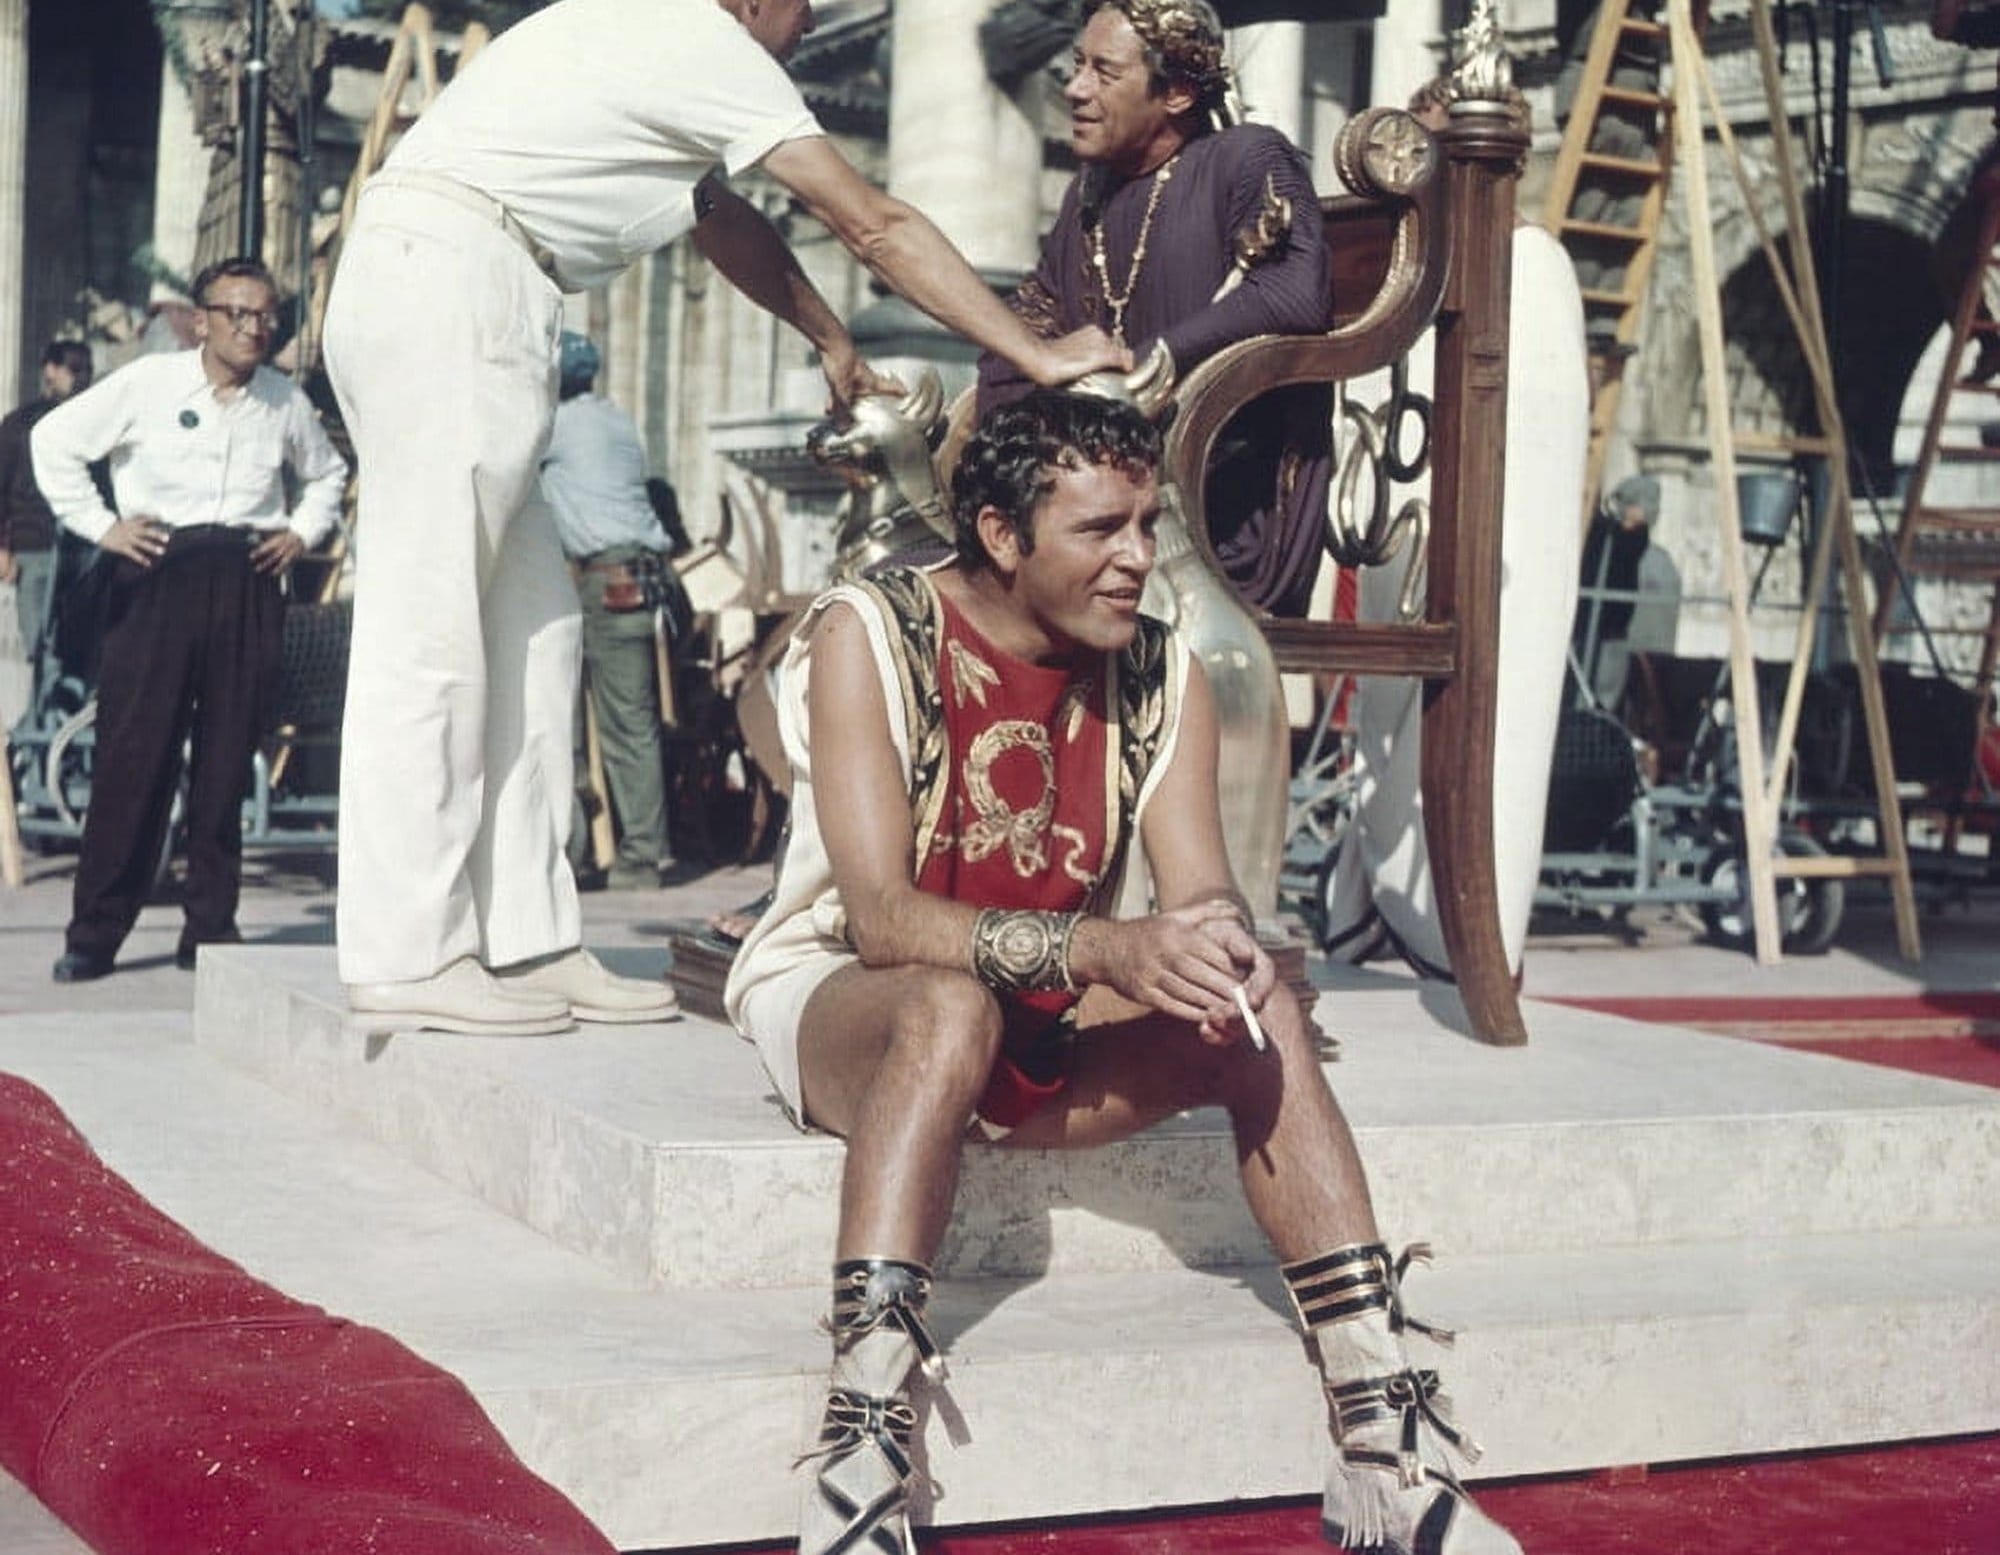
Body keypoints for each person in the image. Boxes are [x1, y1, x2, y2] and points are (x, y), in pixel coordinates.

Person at [724, 392, 1522, 1555]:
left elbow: (1199, 888)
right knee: (946, 1009)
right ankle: (861, 1458)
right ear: (1001, 534)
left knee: (1259, 1014)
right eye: (1101, 529)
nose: (1138, 558)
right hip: (851, 988)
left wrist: (1213, 946)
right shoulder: (868, 627)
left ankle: (1381, 1449)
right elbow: (886, 920)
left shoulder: (1161, 665)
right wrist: (1108, 946)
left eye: (1146, 525)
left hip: (1035, 1003)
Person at [322, 0, 1125, 1037]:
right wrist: (1036, 352)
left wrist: (832, 341)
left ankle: (523, 934)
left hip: (490, 286)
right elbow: (870, 220)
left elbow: (722, 219)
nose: (807, 31)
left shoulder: (647, 43)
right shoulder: (698, 35)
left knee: (535, 632)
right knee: (430, 633)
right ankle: (407, 952)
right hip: (450, 281)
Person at [1321, 80, 1590, 980]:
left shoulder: (1530, 265)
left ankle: (1468, 919)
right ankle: (1372, 894)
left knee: (1478, 713)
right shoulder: (1395, 264)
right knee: (1383, 735)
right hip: (1397, 521)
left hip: (1484, 545)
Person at [31, 258, 348, 982]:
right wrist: (101, 526)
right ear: (200, 320)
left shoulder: (283, 401)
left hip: (247, 578)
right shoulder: (148, 385)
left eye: (265, 314)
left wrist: (301, 529)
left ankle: (209, 928)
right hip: (157, 573)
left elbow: (327, 472)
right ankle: (95, 933)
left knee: (227, 760)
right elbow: (53, 442)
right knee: (133, 758)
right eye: (237, 313)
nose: (253, 327)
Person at [976, 0, 1333, 617]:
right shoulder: (1090, 192)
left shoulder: (1247, 158)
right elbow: (1034, 318)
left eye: (1103, 72)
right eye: (1077, 65)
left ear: (1179, 93)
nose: (1074, 88)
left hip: (1220, 507)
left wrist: (1151, 363)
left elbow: (1295, 291)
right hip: (1103, 500)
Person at [541, 331, 683, 891]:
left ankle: (604, 854)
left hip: (606, 579)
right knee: (632, 723)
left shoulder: (558, 426)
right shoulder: (613, 419)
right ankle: (633, 852)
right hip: (638, 575)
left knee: (582, 721)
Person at [0, 340, 96, 678]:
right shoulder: (18, 426)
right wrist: (3, 549)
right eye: (73, 369)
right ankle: (34, 719)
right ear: (50, 370)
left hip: (86, 546)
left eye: (85, 370)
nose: (80, 377)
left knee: (82, 642)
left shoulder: (95, 424)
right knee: (35, 642)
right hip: (35, 547)